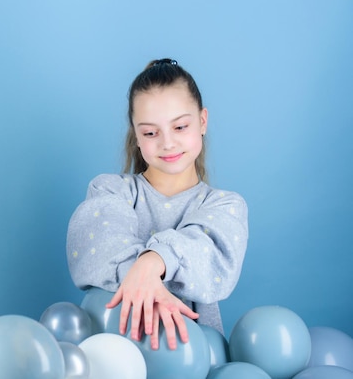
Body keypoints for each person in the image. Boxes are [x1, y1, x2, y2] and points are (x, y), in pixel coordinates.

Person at [66, 59, 248, 350]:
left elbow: (213, 255)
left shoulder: (225, 206)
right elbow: (96, 247)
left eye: (180, 126)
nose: (167, 143)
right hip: (115, 360)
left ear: (202, 121)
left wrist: (154, 261)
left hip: (193, 358)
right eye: (151, 132)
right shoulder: (109, 190)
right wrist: (143, 272)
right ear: (136, 135)